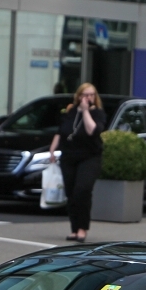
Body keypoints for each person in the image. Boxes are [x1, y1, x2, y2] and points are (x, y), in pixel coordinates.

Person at [48, 82, 105, 243]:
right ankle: (74, 229)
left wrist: (86, 111)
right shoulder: (70, 111)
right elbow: (61, 131)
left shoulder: (97, 113)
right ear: (79, 96)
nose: (88, 98)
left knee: (83, 190)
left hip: (90, 157)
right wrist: (52, 150)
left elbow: (92, 131)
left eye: (92, 95)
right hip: (69, 157)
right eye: (85, 95)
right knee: (71, 193)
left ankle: (82, 228)